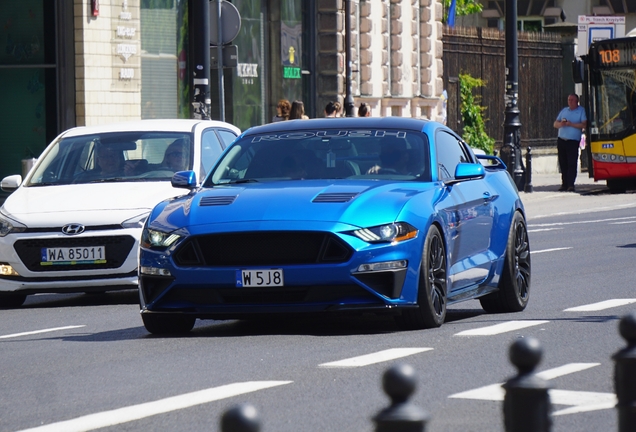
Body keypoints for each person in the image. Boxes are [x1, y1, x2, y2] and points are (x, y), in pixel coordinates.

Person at [553, 94, 587, 192]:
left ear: (577, 101)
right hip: (562, 140)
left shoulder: (581, 111)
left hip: (573, 141)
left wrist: (570, 124)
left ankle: (571, 184)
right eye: (569, 100)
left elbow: (584, 124)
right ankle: (564, 184)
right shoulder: (564, 111)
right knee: (563, 163)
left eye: (572, 100)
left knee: (571, 163)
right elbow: (555, 124)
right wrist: (561, 124)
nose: (570, 102)